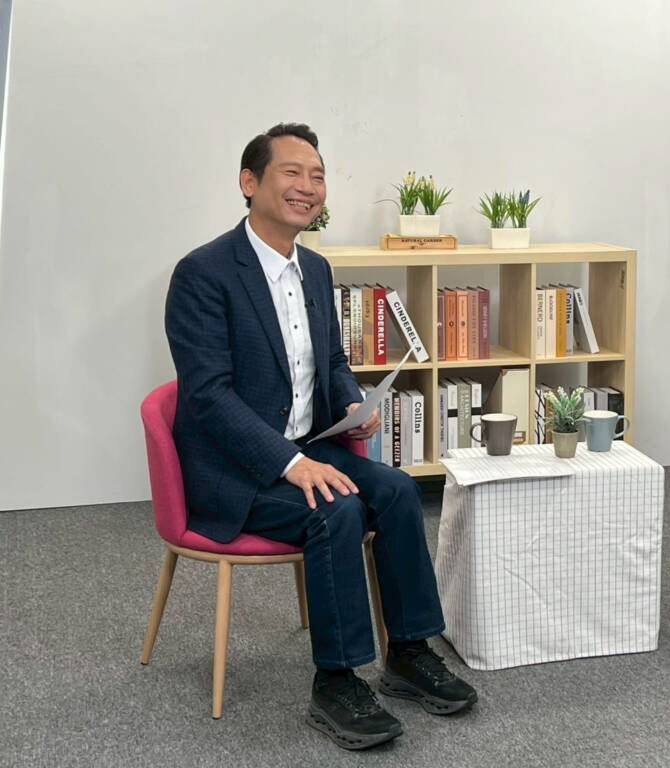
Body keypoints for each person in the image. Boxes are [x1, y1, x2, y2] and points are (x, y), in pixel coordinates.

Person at [165, 123, 476, 750]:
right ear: (249, 182)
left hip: (308, 447)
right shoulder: (202, 273)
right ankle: (336, 681)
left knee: (395, 491)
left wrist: (352, 402)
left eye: (318, 175)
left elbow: (329, 361)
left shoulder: (315, 268)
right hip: (235, 471)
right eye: (292, 172)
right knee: (336, 509)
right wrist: (289, 463)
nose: (307, 186)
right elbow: (208, 397)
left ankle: (408, 652)